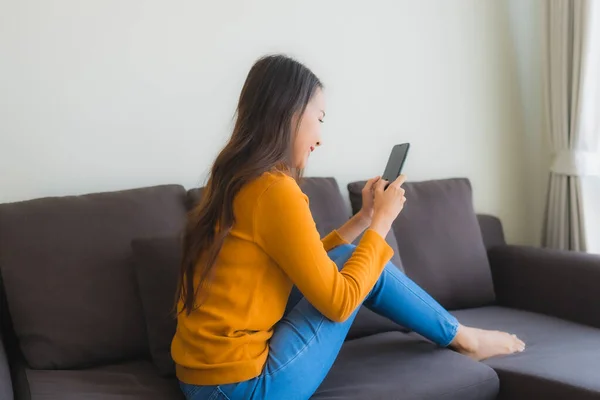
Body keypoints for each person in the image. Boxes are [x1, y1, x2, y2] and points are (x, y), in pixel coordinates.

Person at [172, 54, 525, 400]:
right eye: (320, 118)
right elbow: (339, 303)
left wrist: (364, 219)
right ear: (289, 114)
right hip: (241, 389)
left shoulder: (236, 178)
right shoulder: (275, 190)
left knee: (346, 256)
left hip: (199, 378)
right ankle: (465, 338)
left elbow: (307, 262)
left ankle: (460, 335)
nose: (320, 138)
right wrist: (383, 223)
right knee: (357, 266)